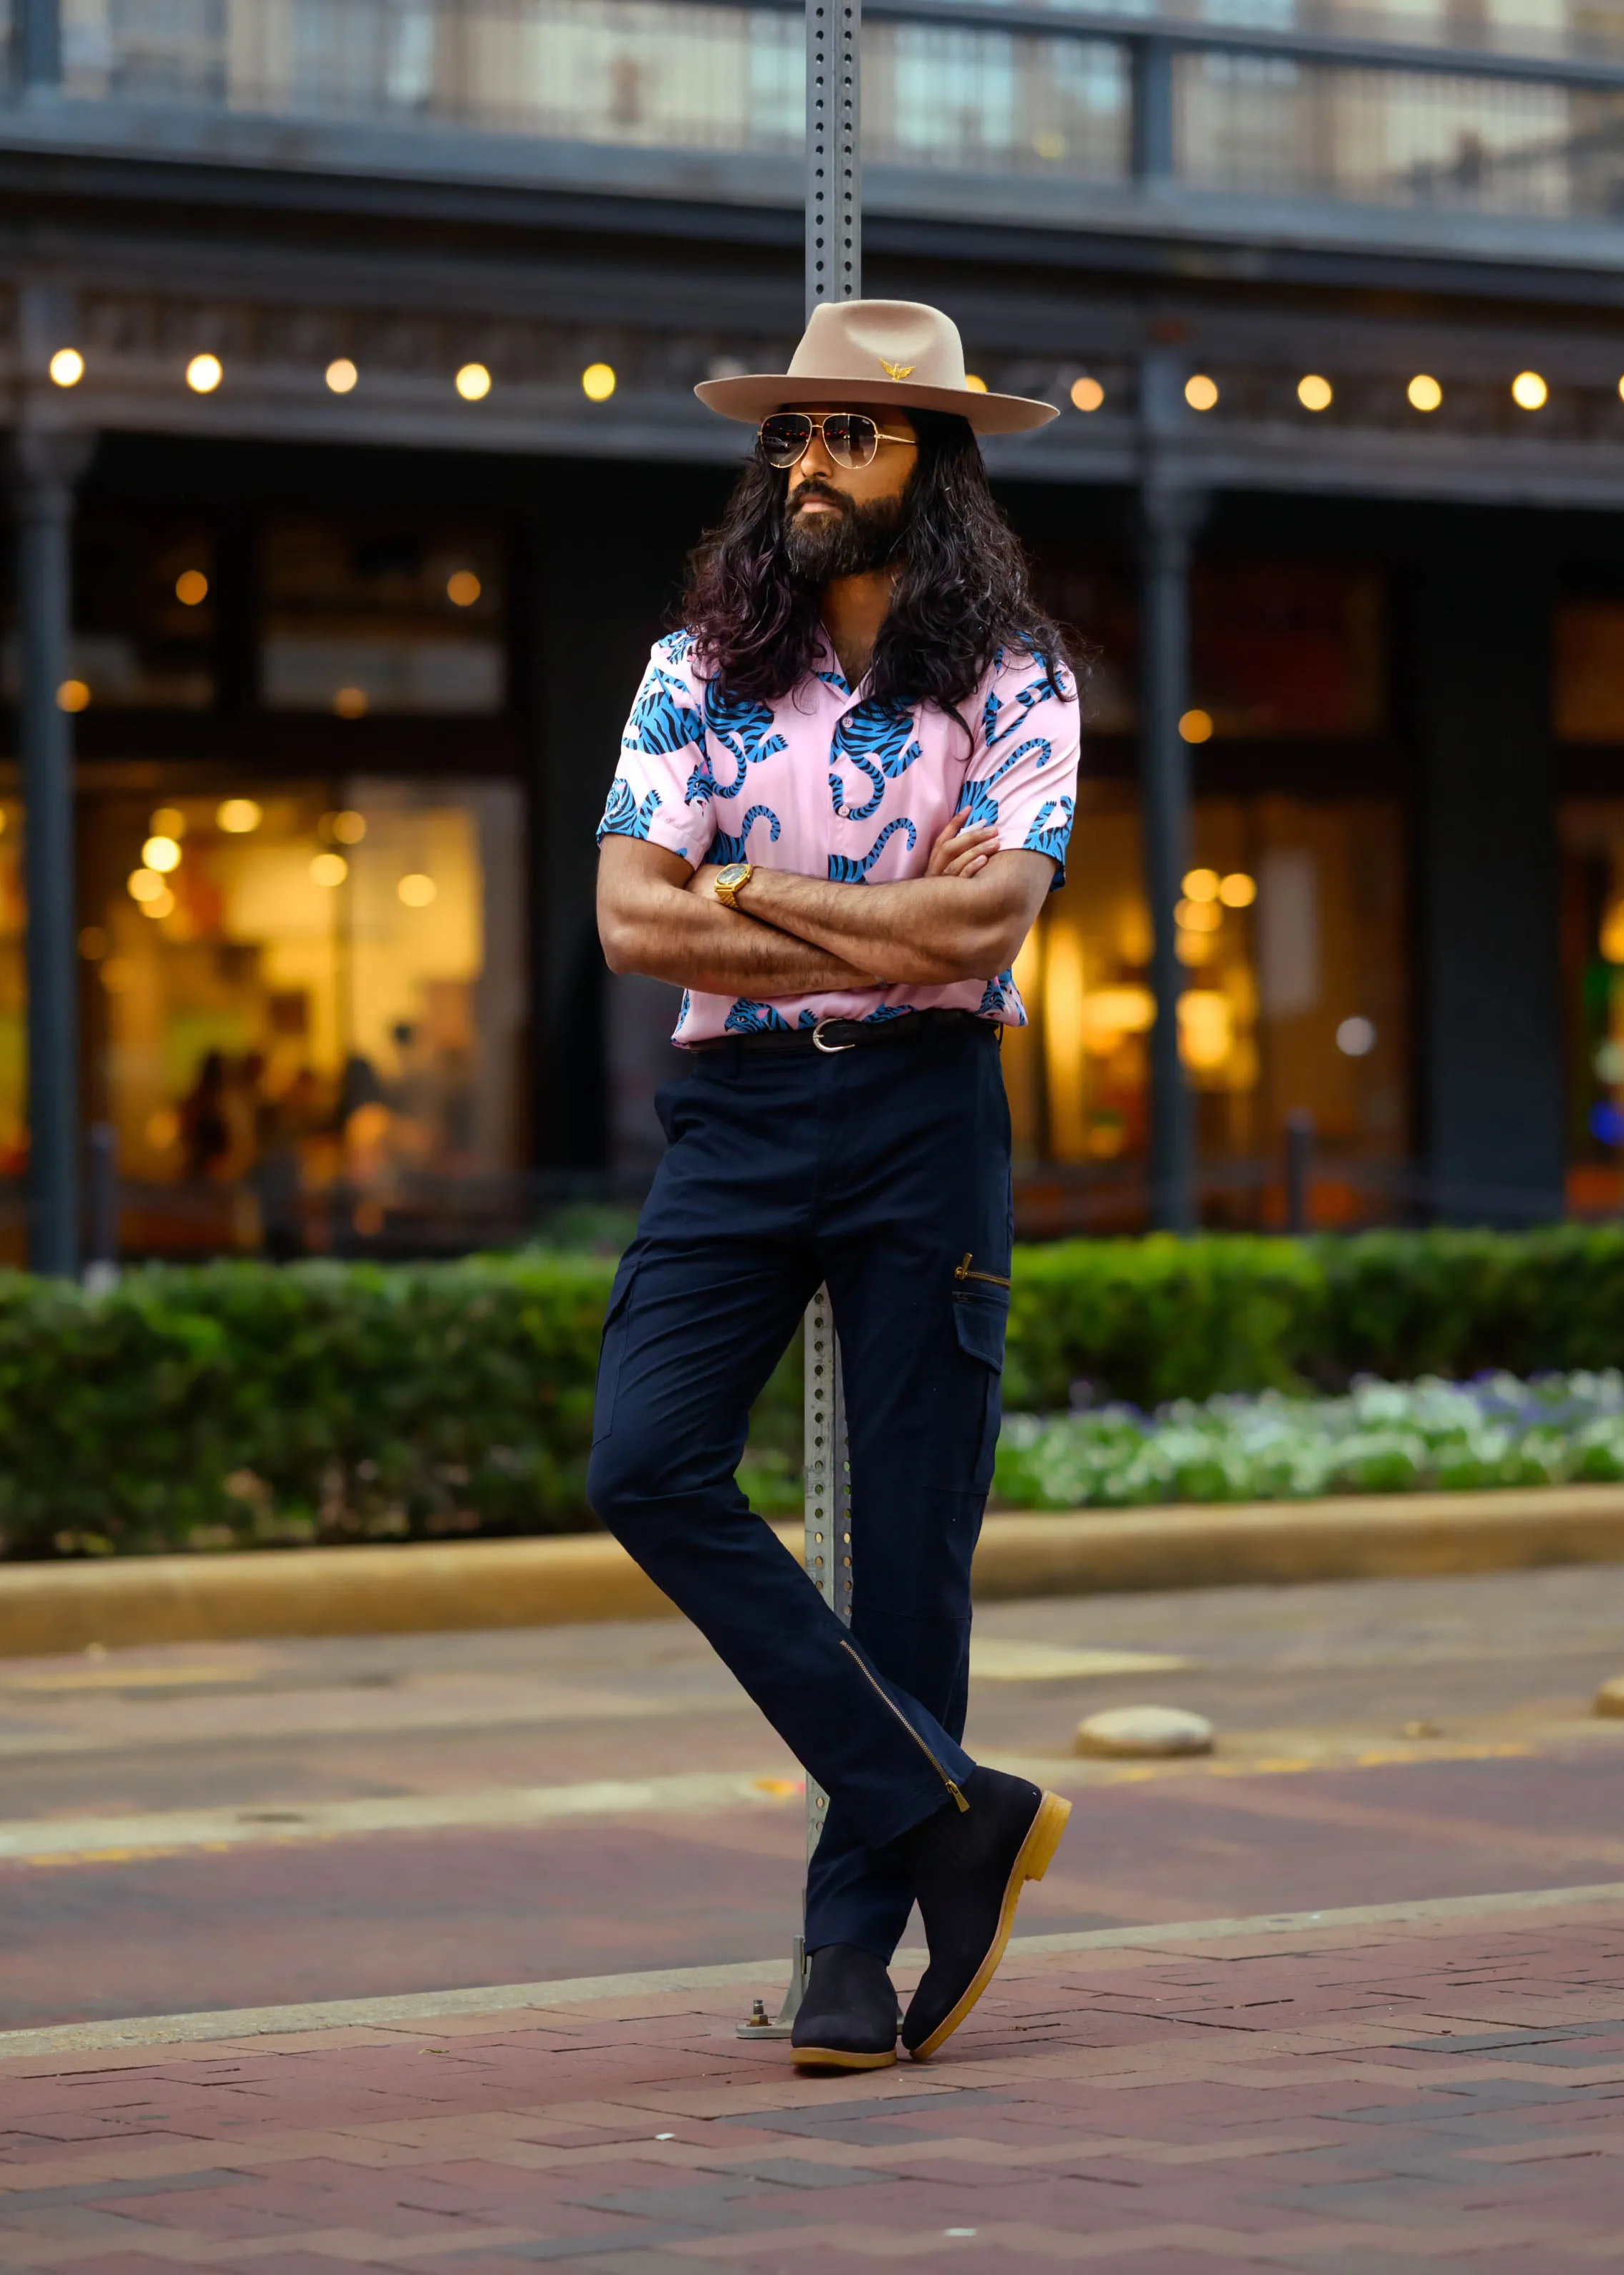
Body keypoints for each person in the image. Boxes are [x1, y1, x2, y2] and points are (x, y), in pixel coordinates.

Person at [589, 300, 1082, 2073]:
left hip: (923, 1115)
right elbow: (627, 917)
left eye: (852, 435)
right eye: (793, 432)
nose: (808, 461)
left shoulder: (1014, 678)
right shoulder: (695, 666)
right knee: (641, 1462)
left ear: (929, 468)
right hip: (733, 1119)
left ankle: (845, 1949)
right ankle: (950, 1809)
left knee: (911, 1547)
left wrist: (739, 892)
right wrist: (840, 920)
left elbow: (987, 921)